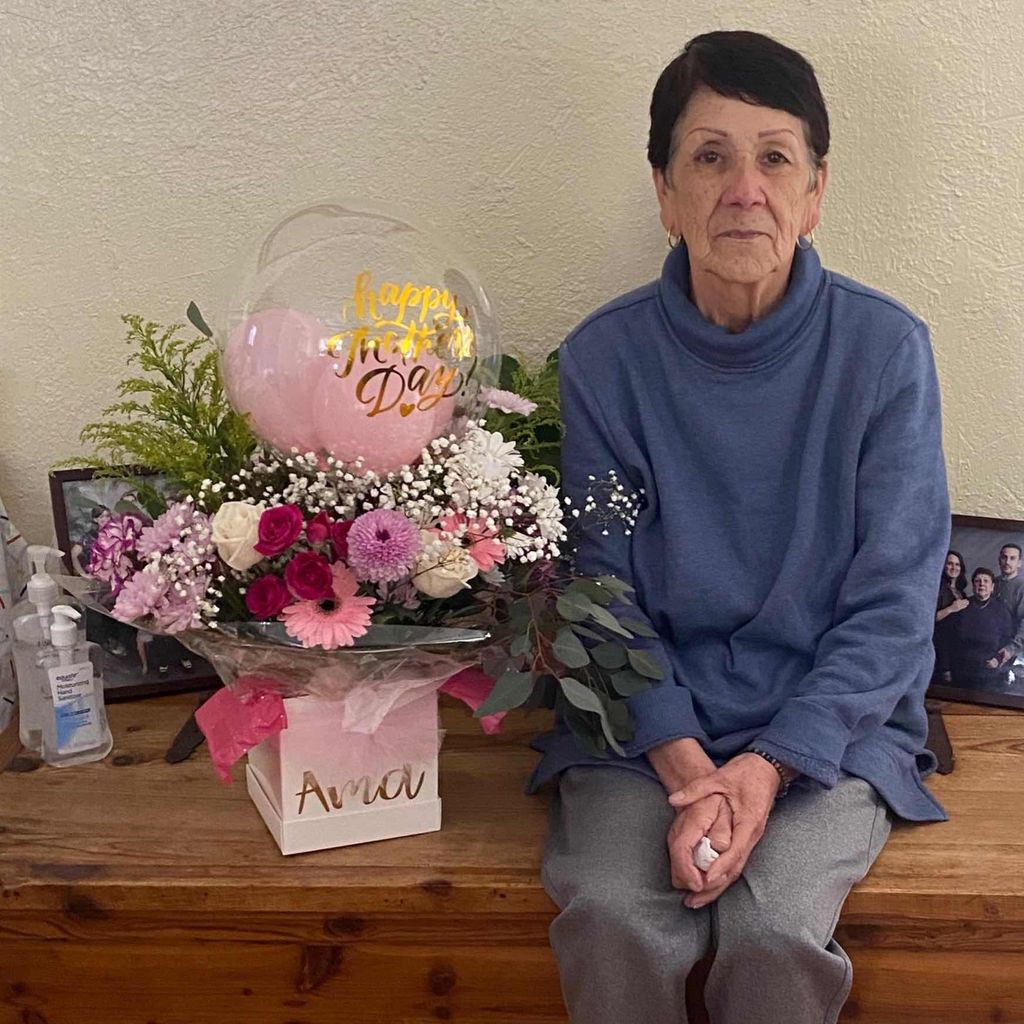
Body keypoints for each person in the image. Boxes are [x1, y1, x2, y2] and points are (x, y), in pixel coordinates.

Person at [529, 31, 950, 1024]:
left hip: (826, 730)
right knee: (613, 916)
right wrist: (687, 765)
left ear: (814, 190)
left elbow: (892, 607)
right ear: (665, 193)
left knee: (772, 927)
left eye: (774, 157)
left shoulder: (885, 353)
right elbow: (602, 593)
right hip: (640, 725)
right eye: (708, 156)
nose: (742, 187)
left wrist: (765, 766)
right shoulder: (604, 361)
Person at [949, 567, 1016, 689]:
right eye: (978, 581)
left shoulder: (1001, 610)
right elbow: (950, 639)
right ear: (973, 585)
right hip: (961, 672)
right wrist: (946, 668)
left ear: (992, 587)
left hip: (990, 674)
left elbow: (1007, 639)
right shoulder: (962, 607)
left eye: (986, 581)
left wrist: (997, 659)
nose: (982, 584)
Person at [934, 549, 969, 682]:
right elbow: (930, 619)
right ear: (943, 565)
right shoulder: (937, 588)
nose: (954, 567)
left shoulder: (961, 592)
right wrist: (951, 608)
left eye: (957, 564)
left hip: (957, 648)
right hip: (940, 647)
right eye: (950, 563)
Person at [993, 542, 1024, 672]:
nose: (1007, 562)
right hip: (991, 644)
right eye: (1004, 557)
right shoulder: (992, 582)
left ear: (1019, 563)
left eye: (1012, 558)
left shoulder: (1022, 586)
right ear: (999, 560)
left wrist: (1011, 649)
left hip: (1014, 650)